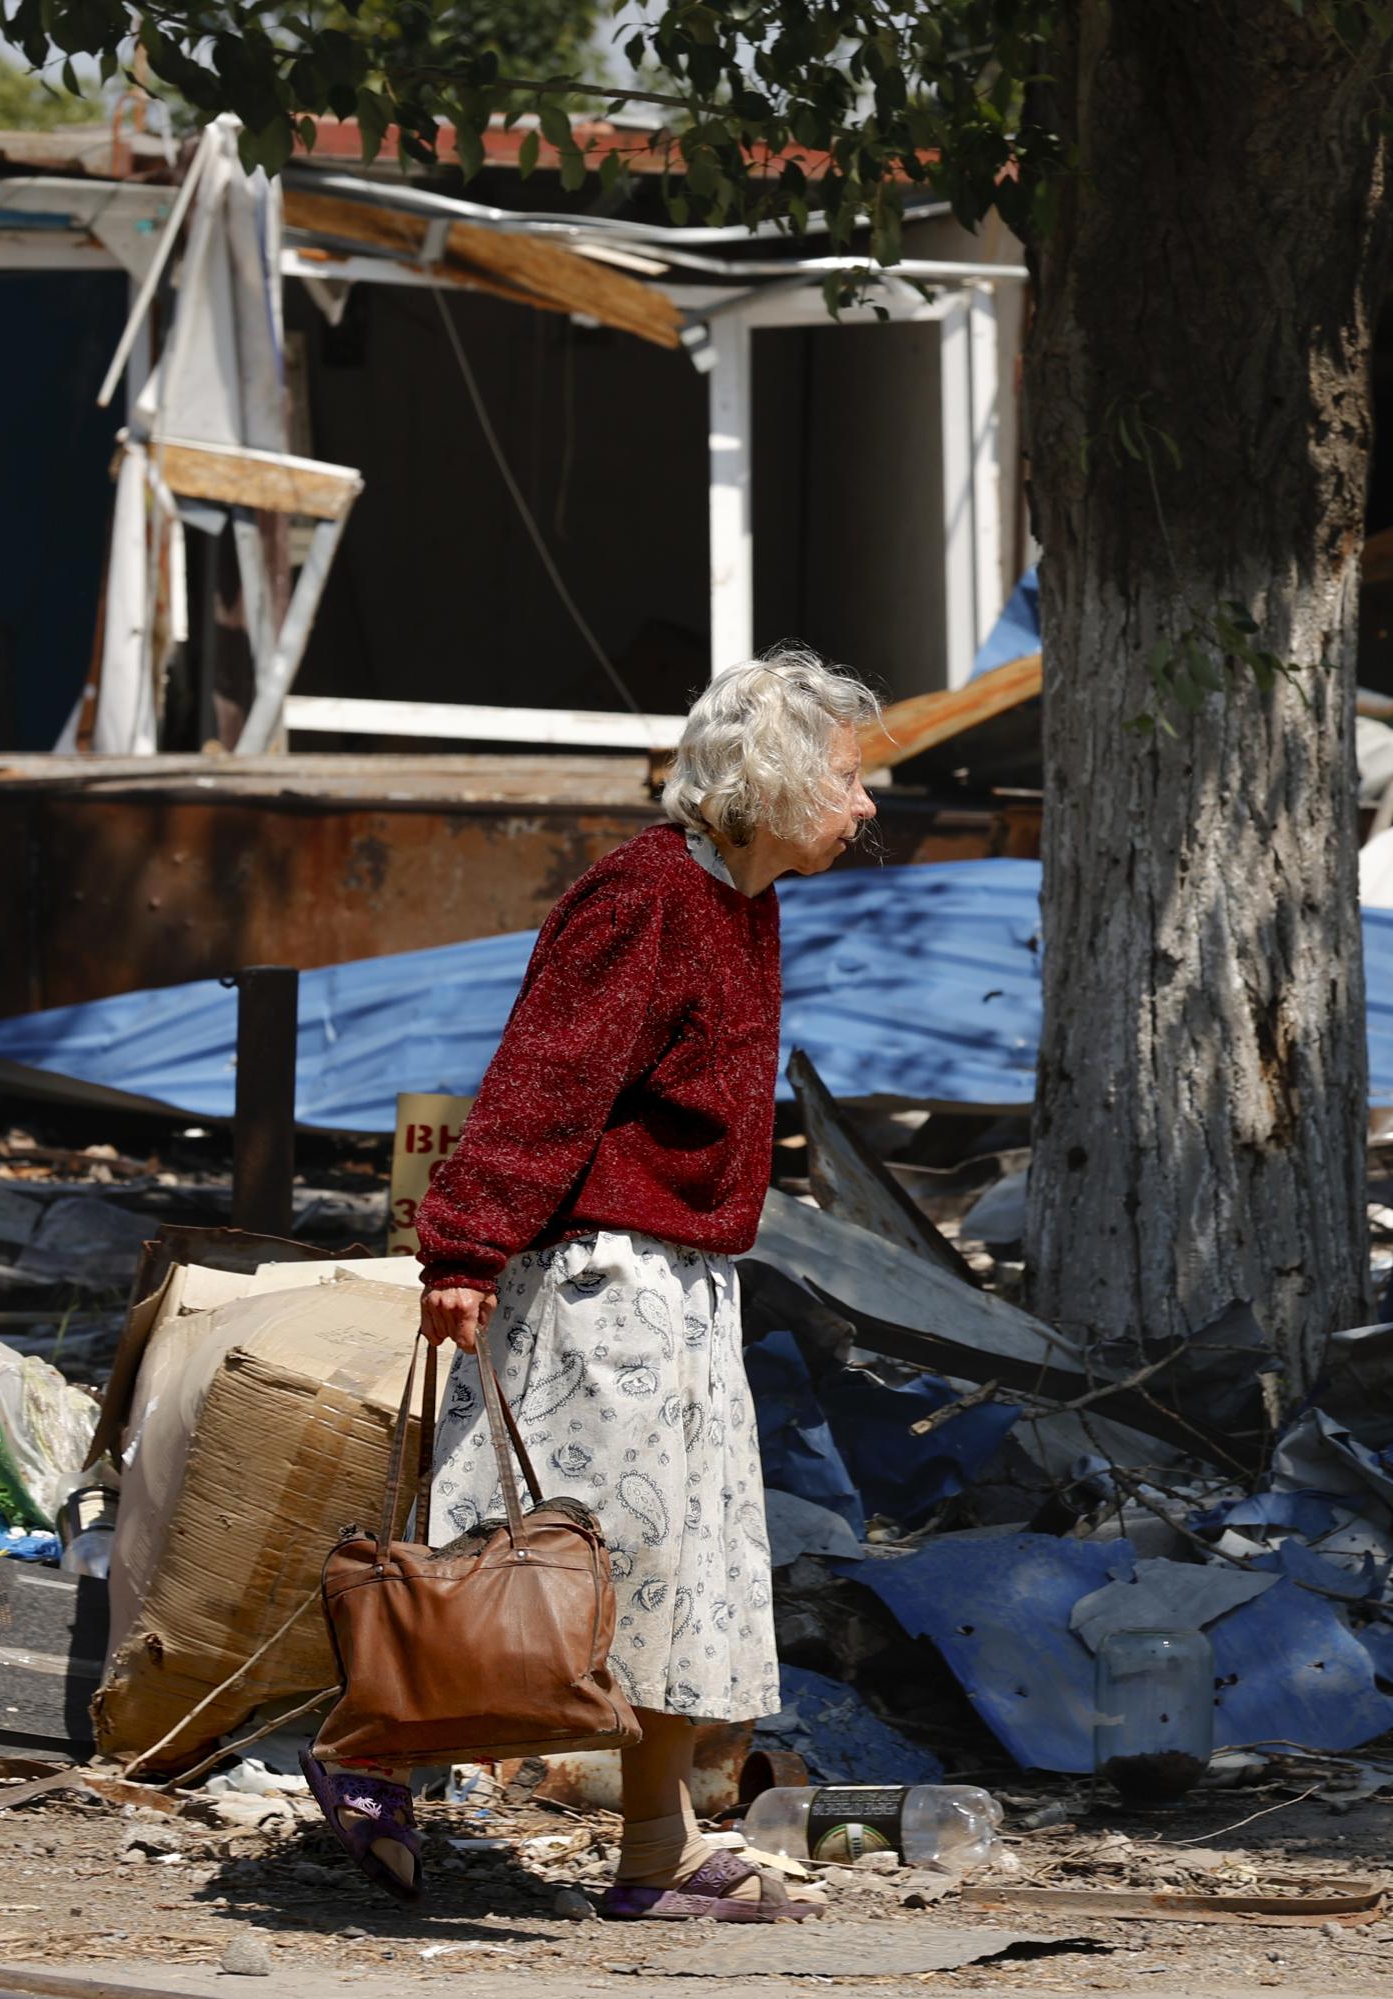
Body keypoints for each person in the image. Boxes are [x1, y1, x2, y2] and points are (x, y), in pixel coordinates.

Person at [324, 644, 880, 1923]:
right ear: (779, 780)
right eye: (846, 780)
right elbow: (544, 1080)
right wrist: (464, 1250)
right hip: (602, 1283)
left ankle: (655, 1853)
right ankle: (365, 1756)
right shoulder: (646, 895)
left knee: (681, 1574)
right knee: (551, 1564)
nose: (863, 809)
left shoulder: (743, 900)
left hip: (688, 1284)